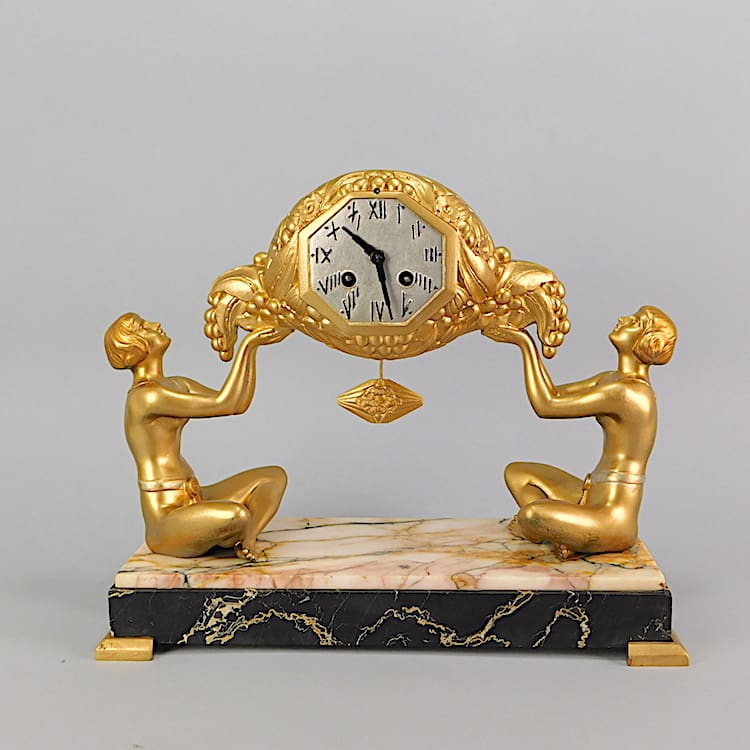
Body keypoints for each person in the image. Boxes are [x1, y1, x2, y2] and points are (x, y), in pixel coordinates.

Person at [483, 306, 676, 558]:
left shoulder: (629, 393)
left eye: (636, 322)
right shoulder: (611, 379)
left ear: (649, 343)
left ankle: (560, 533)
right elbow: (553, 393)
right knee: (518, 473)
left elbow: (546, 406)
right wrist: (525, 339)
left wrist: (525, 344)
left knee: (530, 515)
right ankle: (565, 536)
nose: (623, 318)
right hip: (590, 494)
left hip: (612, 518)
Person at [104, 312, 291, 560]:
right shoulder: (145, 397)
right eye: (143, 327)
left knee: (273, 477)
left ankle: (247, 539)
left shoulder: (176, 384)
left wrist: (254, 347)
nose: (155, 324)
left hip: (195, 497)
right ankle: (240, 532)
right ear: (133, 348)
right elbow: (227, 403)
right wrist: (248, 344)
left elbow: (237, 403)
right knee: (237, 515)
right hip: (167, 520)